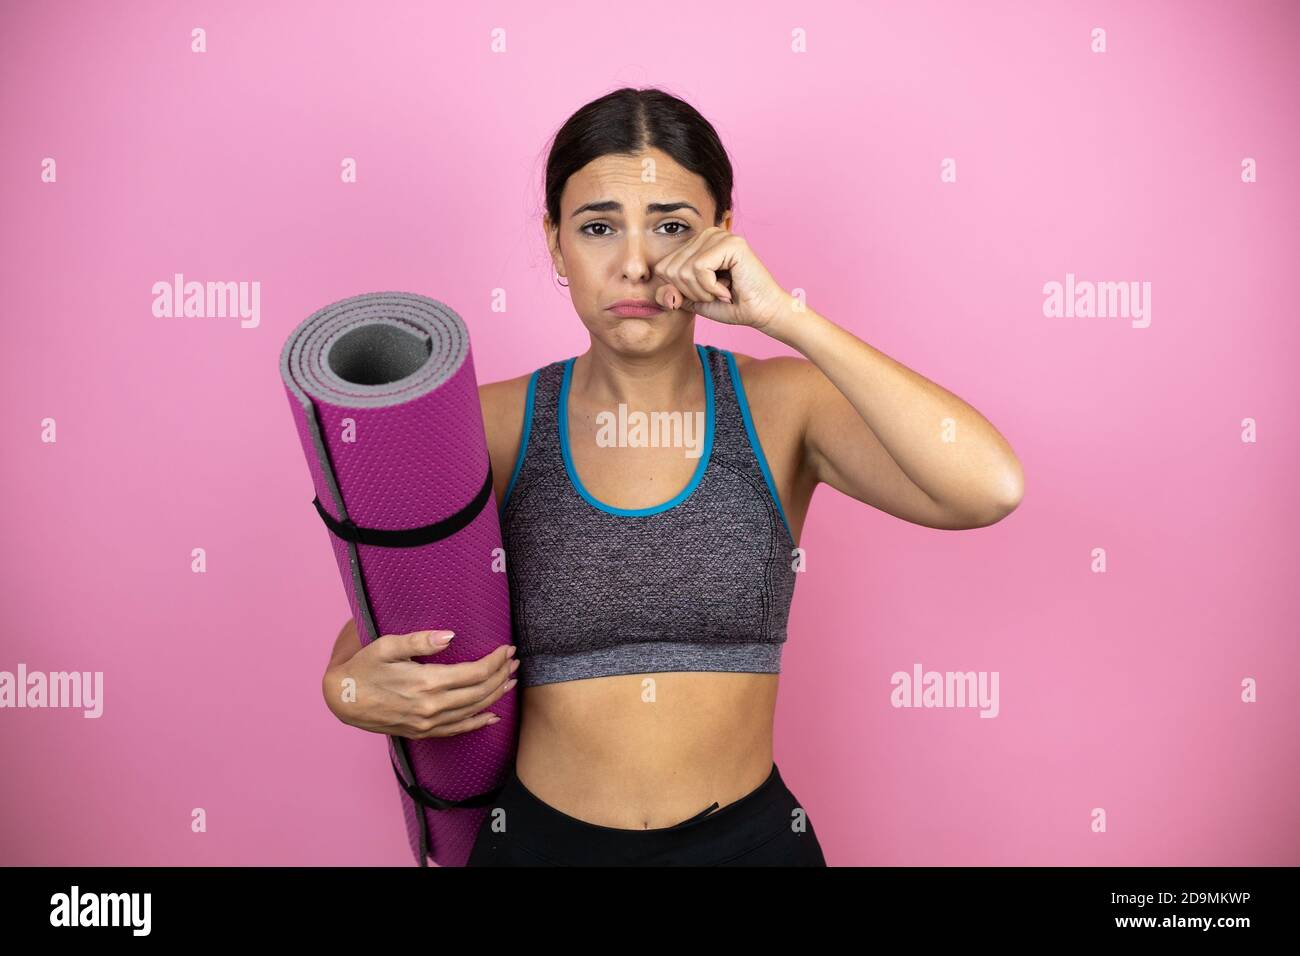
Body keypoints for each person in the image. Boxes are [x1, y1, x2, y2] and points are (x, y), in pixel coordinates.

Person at [321, 86, 1025, 866]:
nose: (635, 261)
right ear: (555, 244)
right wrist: (345, 690)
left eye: (672, 226)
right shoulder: (492, 425)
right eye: (597, 228)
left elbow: (987, 486)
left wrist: (784, 315)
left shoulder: (782, 405)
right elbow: (394, 622)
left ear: (722, 236)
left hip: (752, 847)